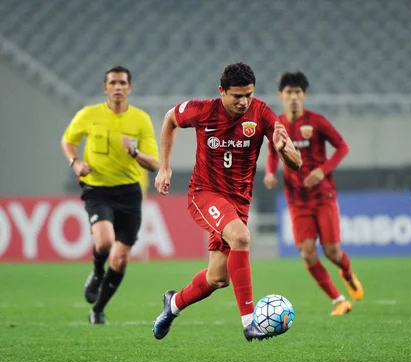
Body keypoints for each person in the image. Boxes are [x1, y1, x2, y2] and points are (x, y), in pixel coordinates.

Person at [152, 62, 302, 341]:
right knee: (241, 238)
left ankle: (172, 304)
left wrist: (284, 151)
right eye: (237, 96)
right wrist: (165, 166)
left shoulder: (262, 114)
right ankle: (249, 323)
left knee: (218, 278)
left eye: (249, 94)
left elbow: (297, 162)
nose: (244, 102)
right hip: (205, 193)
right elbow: (170, 119)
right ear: (221, 91)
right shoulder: (202, 110)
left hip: (239, 202)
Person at [60, 65, 159, 324]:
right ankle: (95, 272)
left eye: (122, 83)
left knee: (121, 258)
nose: (117, 87)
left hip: (129, 193)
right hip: (97, 189)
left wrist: (135, 153)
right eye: (113, 82)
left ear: (129, 88)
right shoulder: (88, 114)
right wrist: (75, 163)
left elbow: (154, 163)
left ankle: (98, 309)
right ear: (105, 88)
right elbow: (68, 140)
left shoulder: (140, 120)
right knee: (104, 242)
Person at [264, 72, 363, 316]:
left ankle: (347, 273)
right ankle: (338, 300)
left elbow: (342, 147)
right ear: (281, 96)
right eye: (289, 92)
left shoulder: (317, 122)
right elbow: (271, 152)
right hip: (297, 200)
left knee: (332, 252)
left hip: (323, 197)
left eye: (298, 92)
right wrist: (269, 172)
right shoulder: (277, 124)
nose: (294, 97)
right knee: (308, 253)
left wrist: (323, 170)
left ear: (304, 95)